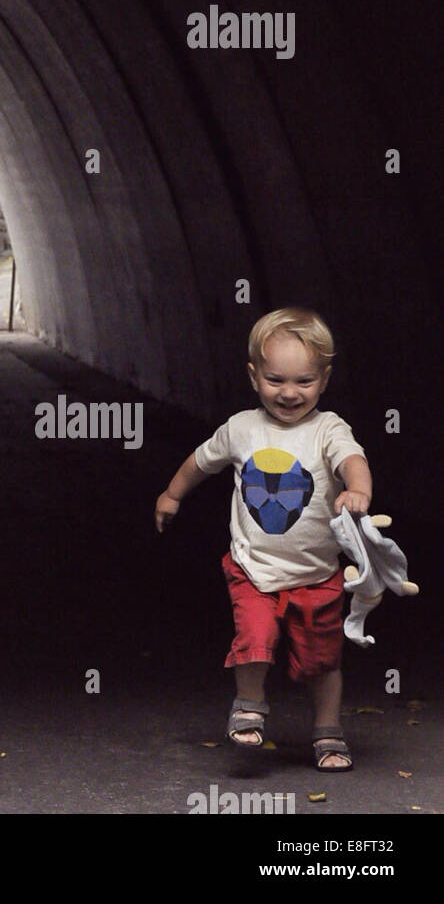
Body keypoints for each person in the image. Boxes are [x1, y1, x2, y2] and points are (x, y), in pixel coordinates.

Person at [154, 307, 372, 771]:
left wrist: (358, 491)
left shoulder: (327, 430)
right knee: (255, 635)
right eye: (275, 380)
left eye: (304, 382)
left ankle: (328, 730)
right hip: (253, 568)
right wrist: (172, 494)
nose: (289, 393)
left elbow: (352, 460)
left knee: (323, 660)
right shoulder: (241, 428)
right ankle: (249, 703)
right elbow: (200, 461)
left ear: (324, 379)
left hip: (317, 574)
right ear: (253, 376)